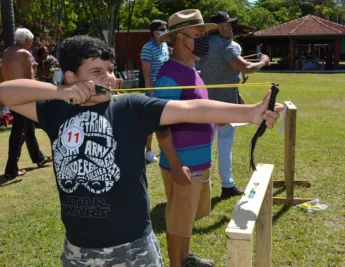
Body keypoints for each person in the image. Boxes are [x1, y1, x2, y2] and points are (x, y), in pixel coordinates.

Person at [0, 35, 283, 266]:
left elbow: (189, 108)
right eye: (97, 72)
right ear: (72, 76)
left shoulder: (130, 107)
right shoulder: (55, 110)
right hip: (78, 250)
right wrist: (59, 91)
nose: (109, 78)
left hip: (132, 248)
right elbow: (5, 92)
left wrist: (251, 112)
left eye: (110, 70)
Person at [153, 9, 219, 267]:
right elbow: (160, 124)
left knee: (189, 216)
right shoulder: (169, 75)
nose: (203, 38)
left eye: (204, 33)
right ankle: (176, 264)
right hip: (182, 163)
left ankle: (186, 257)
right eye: (198, 33)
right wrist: (177, 163)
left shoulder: (192, 69)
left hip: (199, 161)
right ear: (180, 38)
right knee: (178, 220)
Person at [199, 11, 270, 199]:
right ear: (217, 27)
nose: (231, 27)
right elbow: (246, 68)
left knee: (205, 145)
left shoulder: (203, 44)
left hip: (204, 101)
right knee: (224, 145)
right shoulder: (227, 46)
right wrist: (262, 62)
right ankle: (227, 185)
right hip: (224, 105)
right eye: (227, 24)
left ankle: (202, 185)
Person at [1, 28, 52, 180]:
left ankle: (39, 158)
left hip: (8, 93)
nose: (30, 45)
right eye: (30, 42)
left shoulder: (7, 52)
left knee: (27, 127)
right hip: (22, 97)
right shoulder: (25, 54)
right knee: (19, 131)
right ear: (26, 41)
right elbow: (30, 80)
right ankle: (11, 170)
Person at [141, 19, 170, 163]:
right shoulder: (148, 47)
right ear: (155, 32)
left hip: (167, 89)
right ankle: (148, 151)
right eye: (163, 28)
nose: (166, 30)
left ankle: (165, 148)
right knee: (151, 122)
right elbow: (146, 72)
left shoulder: (165, 45)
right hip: (154, 90)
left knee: (167, 120)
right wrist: (151, 90)